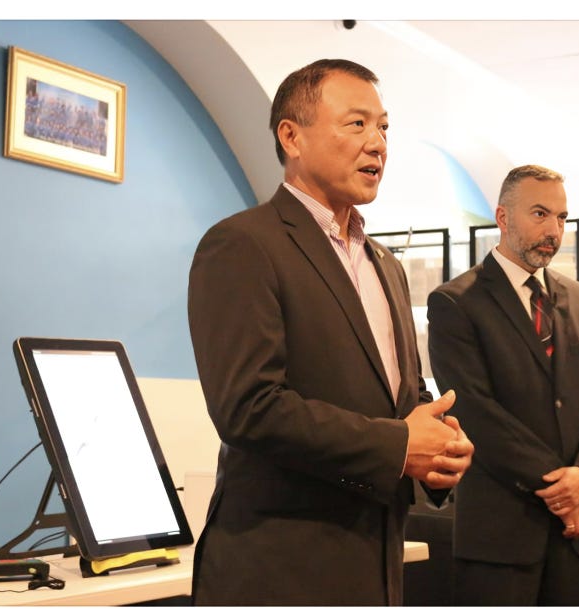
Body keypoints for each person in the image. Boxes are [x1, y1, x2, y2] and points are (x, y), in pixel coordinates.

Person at [187, 58, 474, 606]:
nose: (378, 144)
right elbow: (249, 407)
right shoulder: (243, 245)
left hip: (377, 564)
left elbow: (402, 399)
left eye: (384, 127)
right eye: (357, 124)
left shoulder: (385, 264)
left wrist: (438, 453)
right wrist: (399, 445)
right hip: (281, 569)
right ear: (291, 137)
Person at [426, 164, 579, 605]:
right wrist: (562, 488)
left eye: (561, 217)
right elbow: (475, 411)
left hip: (577, 537)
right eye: (539, 214)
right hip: (501, 535)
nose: (553, 229)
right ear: (502, 218)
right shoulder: (456, 303)